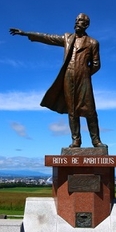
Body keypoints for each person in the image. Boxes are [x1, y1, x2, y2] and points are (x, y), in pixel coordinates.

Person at [10, 13, 107, 148]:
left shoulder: (93, 43)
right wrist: (26, 33)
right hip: (68, 78)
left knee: (90, 111)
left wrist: (84, 74)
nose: (77, 22)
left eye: (80, 20)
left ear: (86, 24)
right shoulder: (68, 38)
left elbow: (96, 64)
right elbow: (48, 38)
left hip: (83, 80)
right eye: (76, 20)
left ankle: (96, 140)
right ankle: (76, 140)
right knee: (72, 111)